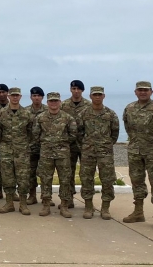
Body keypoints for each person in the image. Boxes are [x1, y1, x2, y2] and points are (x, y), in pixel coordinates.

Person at [122, 81, 153, 229]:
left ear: (151, 92)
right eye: (140, 90)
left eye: (146, 90)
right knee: (137, 181)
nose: (143, 92)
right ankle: (138, 211)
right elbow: (127, 127)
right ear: (135, 92)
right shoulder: (129, 108)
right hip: (135, 150)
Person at [76, 86, 119, 220]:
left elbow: (115, 133)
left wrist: (105, 144)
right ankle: (89, 206)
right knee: (86, 178)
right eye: (95, 95)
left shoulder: (110, 114)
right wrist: (86, 145)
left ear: (103, 96)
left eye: (100, 95)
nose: (97, 97)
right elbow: (78, 132)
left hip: (105, 152)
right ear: (90, 96)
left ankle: (105, 207)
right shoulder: (83, 114)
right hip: (88, 152)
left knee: (107, 179)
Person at [33, 92, 78, 218]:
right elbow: (35, 135)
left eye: (56, 101)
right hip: (46, 154)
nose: (53, 103)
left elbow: (73, 135)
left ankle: (64, 205)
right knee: (45, 179)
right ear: (47, 102)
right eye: (51, 101)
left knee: (65, 179)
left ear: (60, 102)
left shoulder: (67, 118)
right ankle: (46, 205)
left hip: (62, 154)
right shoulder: (40, 118)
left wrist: (61, 144)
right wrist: (47, 143)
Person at [0, 87, 33, 215]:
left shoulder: (27, 114)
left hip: (22, 151)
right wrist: (5, 144)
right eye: (13, 95)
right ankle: (9, 203)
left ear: (21, 97)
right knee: (7, 177)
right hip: (6, 150)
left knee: (23, 178)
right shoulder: (1, 114)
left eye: (17, 95)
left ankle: (23, 204)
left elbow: (31, 132)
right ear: (9, 96)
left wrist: (23, 144)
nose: (15, 97)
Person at [60, 80, 91, 209]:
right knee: (68, 172)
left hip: (85, 144)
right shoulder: (64, 105)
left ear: (82, 90)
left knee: (86, 173)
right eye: (74, 88)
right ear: (70, 90)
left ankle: (88, 200)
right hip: (69, 144)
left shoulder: (89, 105)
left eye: (78, 89)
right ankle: (69, 199)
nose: (76, 91)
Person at [24, 86, 47, 206]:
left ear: (42, 97)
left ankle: (45, 196)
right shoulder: (25, 111)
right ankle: (32, 195)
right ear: (31, 97)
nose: (36, 98)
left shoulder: (49, 110)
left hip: (45, 147)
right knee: (30, 172)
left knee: (45, 173)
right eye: (34, 96)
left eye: (38, 95)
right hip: (30, 147)